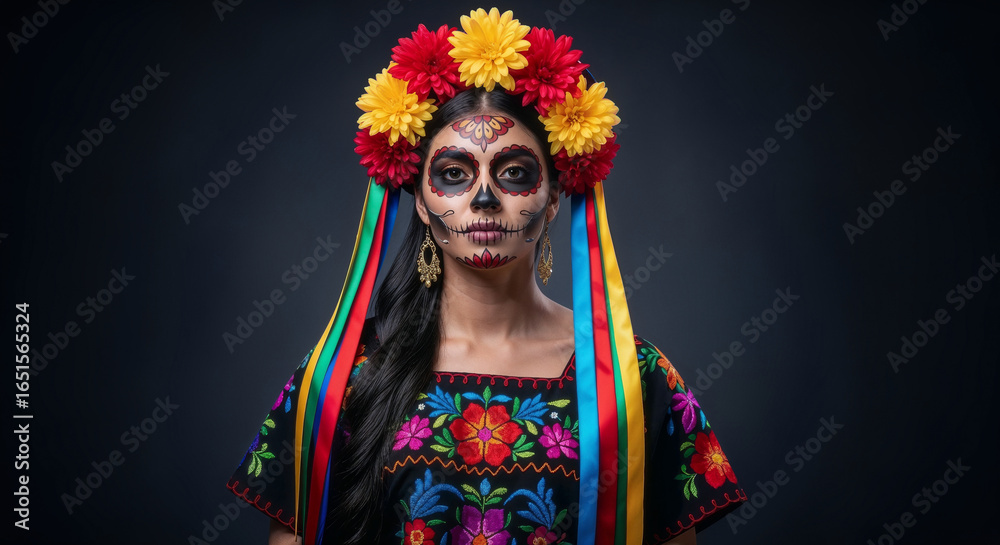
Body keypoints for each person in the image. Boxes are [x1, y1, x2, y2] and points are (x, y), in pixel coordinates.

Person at [227, 8, 746, 545]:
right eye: (454, 174)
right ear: (423, 204)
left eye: (514, 173)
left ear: (552, 200)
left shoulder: (633, 377)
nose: (483, 198)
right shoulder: (343, 374)